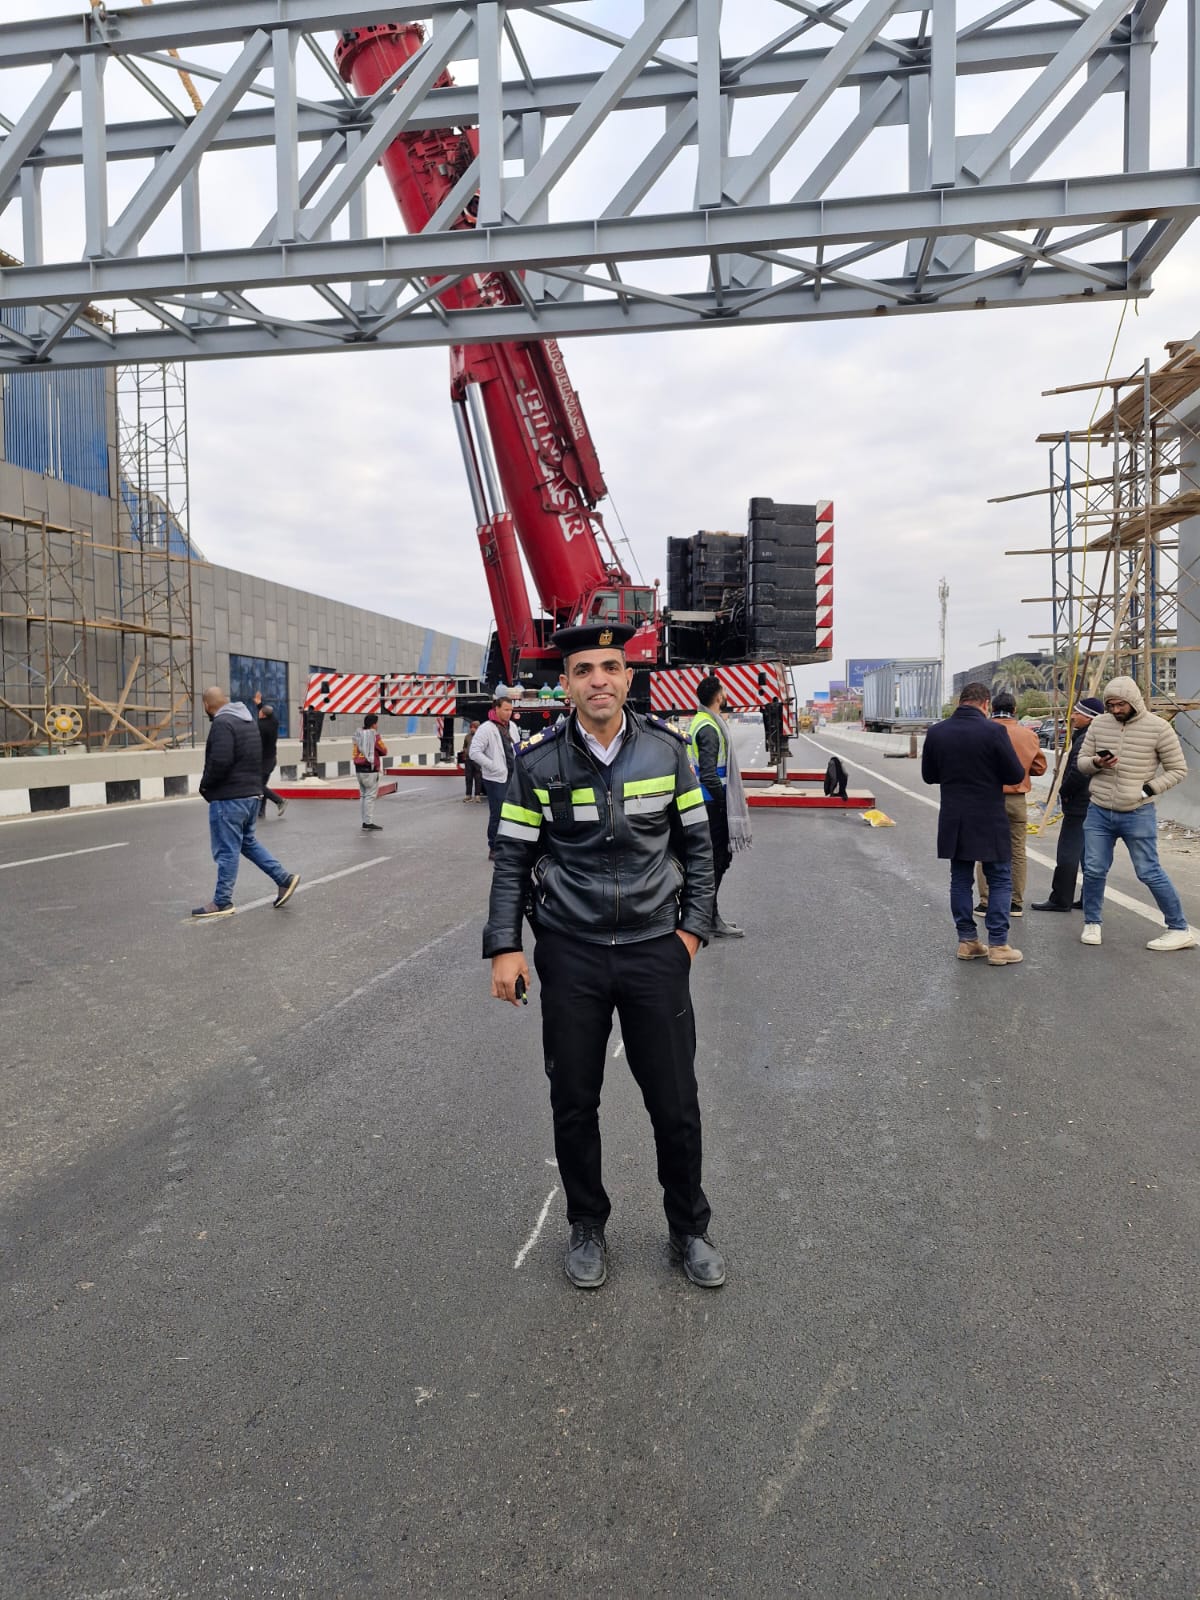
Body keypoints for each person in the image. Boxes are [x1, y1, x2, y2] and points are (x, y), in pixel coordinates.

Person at [484, 623, 723, 1291]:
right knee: (573, 1100)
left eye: (610, 667)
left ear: (628, 677)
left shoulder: (667, 752)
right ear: (565, 684)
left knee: (675, 1104)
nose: (599, 680)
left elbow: (701, 849)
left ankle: (689, 1229)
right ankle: (587, 1224)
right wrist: (505, 945)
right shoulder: (536, 764)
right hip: (572, 953)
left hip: (654, 951)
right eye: (584, 669)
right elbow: (512, 860)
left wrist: (690, 934)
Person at [1076, 675, 1195, 950]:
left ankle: (1179, 928)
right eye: (1110, 705)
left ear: (1134, 701)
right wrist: (1097, 762)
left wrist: (1148, 790)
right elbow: (1081, 763)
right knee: (1093, 869)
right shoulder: (1099, 724)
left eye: (1121, 704)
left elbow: (1178, 769)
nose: (1115, 710)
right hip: (1099, 810)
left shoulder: (1159, 728)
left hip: (1138, 812)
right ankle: (1092, 923)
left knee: (1149, 871)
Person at [921, 682, 1026, 965]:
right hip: (989, 815)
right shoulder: (994, 731)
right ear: (986, 704)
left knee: (960, 879)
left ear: (960, 701)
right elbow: (1015, 774)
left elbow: (929, 776)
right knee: (999, 878)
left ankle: (967, 941)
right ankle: (998, 945)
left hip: (954, 816)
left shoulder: (937, 732)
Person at [193, 686, 300, 919]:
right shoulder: (247, 721)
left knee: (226, 851)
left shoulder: (222, 723)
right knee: (247, 843)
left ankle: (222, 901)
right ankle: (284, 879)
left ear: (206, 705)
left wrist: (205, 785)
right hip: (251, 794)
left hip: (229, 798)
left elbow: (220, 761)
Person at [688, 674, 752, 938]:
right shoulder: (709, 728)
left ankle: (709, 916)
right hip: (712, 805)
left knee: (715, 861)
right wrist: (726, 805)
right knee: (716, 861)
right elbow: (709, 774)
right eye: (723, 690)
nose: (725, 694)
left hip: (706, 803)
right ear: (718, 696)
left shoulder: (702, 721)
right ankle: (709, 918)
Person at [973, 690, 1047, 919]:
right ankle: (1015, 903)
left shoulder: (980, 732)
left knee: (985, 850)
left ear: (991, 708)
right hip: (1016, 801)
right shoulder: (1028, 735)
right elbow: (1039, 768)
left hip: (987, 798)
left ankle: (986, 902)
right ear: (1015, 710)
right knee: (1017, 852)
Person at [1031, 696, 1103, 912]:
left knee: (1068, 853)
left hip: (1080, 804)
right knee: (1090, 855)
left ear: (1090, 718)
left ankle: (1061, 899)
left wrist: (1064, 792)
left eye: (1078, 713)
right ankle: (1089, 898)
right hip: (1093, 803)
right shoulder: (1097, 736)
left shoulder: (1086, 739)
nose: (1072, 716)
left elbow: (1078, 772)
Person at [470, 689, 518, 859]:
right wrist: (493, 766)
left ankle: (508, 845)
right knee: (498, 813)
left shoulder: (512, 726)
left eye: (511, 710)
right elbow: (474, 752)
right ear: (496, 709)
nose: (509, 713)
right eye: (506, 709)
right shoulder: (486, 728)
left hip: (512, 775)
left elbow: (516, 748)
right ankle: (494, 847)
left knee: (512, 813)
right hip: (495, 778)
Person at [252, 692, 287, 820]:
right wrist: (259, 704)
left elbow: (256, 744)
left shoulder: (261, 727)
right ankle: (261, 812)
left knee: (258, 786)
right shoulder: (274, 721)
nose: (259, 713)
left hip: (264, 761)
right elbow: (268, 713)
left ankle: (280, 801)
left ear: (263, 715)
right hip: (272, 759)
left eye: (260, 712)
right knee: (262, 785)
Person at [352, 712, 388, 832]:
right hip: (370, 770)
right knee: (370, 796)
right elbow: (384, 751)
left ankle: (364, 821)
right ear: (373, 724)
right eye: (376, 723)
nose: (377, 726)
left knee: (363, 795)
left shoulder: (358, 734)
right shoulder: (374, 736)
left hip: (359, 768)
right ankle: (368, 822)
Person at [459, 718, 484, 803]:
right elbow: (465, 746)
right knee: (468, 778)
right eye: (471, 727)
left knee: (478, 778)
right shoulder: (467, 736)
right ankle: (468, 795)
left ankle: (477, 796)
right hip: (468, 760)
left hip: (477, 760)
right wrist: (465, 751)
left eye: (473, 727)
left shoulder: (481, 737)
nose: (471, 729)